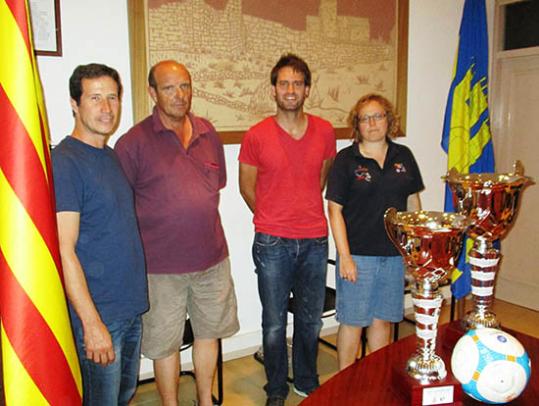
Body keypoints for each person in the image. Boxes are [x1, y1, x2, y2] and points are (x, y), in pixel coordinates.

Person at [115, 60, 239, 406]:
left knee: (209, 334)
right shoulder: (133, 143)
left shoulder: (207, 132)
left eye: (184, 86)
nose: (179, 94)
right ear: (152, 92)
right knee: (164, 343)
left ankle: (204, 399)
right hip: (159, 269)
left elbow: (218, 185)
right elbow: (121, 207)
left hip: (212, 260)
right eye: (169, 88)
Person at [239, 54, 336, 406]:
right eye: (284, 83)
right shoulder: (257, 135)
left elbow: (321, 178)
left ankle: (307, 381)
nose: (290, 89)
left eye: (297, 83)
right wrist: (273, 216)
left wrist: (300, 210)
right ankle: (276, 386)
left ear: (307, 89)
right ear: (273, 89)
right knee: (274, 321)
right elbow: (246, 186)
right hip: (272, 241)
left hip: (314, 239)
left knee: (310, 320)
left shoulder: (325, 131)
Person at [52, 64, 148, 405]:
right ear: (74, 104)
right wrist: (91, 324)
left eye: (112, 97)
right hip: (99, 314)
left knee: (123, 395)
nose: (106, 108)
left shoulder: (110, 156)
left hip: (128, 308)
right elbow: (65, 251)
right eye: (95, 98)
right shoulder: (65, 162)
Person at [326, 93, 424, 370]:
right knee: (353, 322)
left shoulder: (403, 156)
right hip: (358, 256)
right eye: (364, 118)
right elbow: (334, 210)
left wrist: (413, 251)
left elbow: (412, 203)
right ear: (357, 124)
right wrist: (344, 257)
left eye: (377, 116)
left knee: (382, 320)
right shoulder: (346, 160)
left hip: (393, 256)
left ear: (388, 120)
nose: (372, 123)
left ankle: (375, 377)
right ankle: (346, 382)